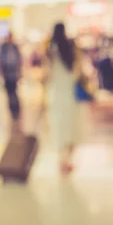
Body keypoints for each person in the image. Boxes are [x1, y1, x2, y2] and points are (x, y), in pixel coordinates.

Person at [46, 23, 82, 174]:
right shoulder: (71, 47)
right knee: (71, 126)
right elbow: (77, 70)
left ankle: (62, 160)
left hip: (55, 92)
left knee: (59, 126)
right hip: (69, 92)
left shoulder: (50, 50)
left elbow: (47, 72)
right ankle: (68, 159)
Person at [0, 32, 22, 120]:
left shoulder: (15, 47)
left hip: (14, 72)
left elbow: (19, 60)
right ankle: (11, 108)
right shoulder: (3, 48)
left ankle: (16, 108)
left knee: (14, 91)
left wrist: (19, 71)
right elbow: (0, 60)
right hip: (7, 72)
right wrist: (1, 71)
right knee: (9, 91)